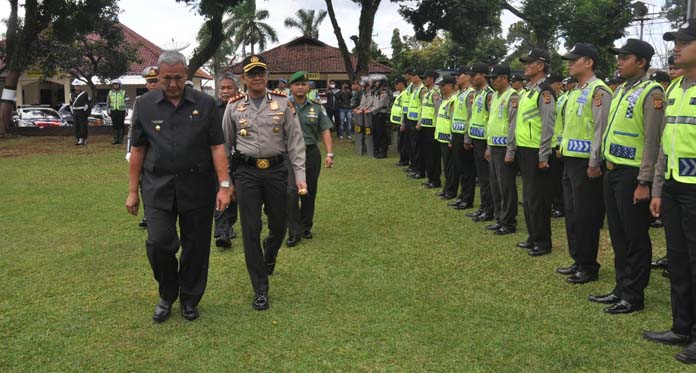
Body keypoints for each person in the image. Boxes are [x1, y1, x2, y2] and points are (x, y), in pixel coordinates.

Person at [125, 51, 231, 322]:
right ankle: (167, 292)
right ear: (158, 77)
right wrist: (132, 191)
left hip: (197, 185)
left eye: (178, 78)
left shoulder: (205, 104)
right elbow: (137, 149)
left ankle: (190, 298)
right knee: (159, 242)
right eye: (167, 78)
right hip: (157, 186)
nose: (172, 84)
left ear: (187, 76)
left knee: (196, 247)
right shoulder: (145, 105)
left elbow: (217, 146)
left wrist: (224, 185)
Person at [584, 39, 663, 315]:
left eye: (625, 57)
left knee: (635, 237)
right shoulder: (622, 90)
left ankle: (633, 295)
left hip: (633, 175)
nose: (619, 61)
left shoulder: (652, 92)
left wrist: (644, 181)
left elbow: (653, 141)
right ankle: (620, 287)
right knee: (618, 234)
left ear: (641, 62)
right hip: (613, 169)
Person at [222, 54, 306, 311]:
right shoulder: (233, 106)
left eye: (261, 73)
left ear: (267, 76)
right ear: (244, 79)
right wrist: (225, 182)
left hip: (276, 171)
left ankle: (270, 253)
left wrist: (300, 178)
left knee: (279, 225)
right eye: (252, 73)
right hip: (246, 173)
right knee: (250, 229)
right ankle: (260, 288)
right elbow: (225, 145)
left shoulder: (283, 103)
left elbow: (295, 142)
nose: (257, 77)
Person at [644, 20, 696, 364]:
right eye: (674, 41)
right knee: (678, 259)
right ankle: (681, 326)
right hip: (676, 186)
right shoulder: (676, 88)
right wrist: (659, 187)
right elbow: (665, 145)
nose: (675, 47)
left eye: (683, 41)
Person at [558, 43, 612, 284]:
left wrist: (594, 161)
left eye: (574, 59)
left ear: (589, 62)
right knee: (571, 213)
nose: (570, 63)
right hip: (570, 160)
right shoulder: (576, 91)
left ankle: (589, 266)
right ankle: (578, 259)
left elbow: (601, 129)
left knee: (586, 215)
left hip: (586, 164)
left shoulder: (599, 90)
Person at [514, 48, 556, 256]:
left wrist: (543, 155)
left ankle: (542, 241)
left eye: (529, 63)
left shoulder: (544, 91)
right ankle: (533, 236)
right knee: (529, 197)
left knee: (538, 199)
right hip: (525, 148)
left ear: (540, 66)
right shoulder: (528, 91)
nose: (525, 66)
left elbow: (548, 125)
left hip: (536, 151)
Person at [285, 70, 334, 247]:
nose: (300, 87)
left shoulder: (317, 107)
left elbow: (325, 130)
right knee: (291, 192)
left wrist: (329, 154)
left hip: (311, 152)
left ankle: (306, 226)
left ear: (308, 87)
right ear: (291, 87)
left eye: (303, 84)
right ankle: (293, 230)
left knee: (309, 192)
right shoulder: (282, 106)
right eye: (296, 84)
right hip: (289, 154)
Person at [484, 64, 519, 236]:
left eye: (494, 78)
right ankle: (499, 217)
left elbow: (513, 125)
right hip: (494, 146)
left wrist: (510, 151)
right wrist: (489, 146)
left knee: (506, 186)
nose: (492, 81)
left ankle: (509, 221)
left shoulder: (512, 96)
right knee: (495, 185)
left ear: (504, 78)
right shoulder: (496, 96)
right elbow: (492, 123)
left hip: (505, 147)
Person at [126, 66, 160, 229]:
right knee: (143, 182)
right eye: (150, 82)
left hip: (158, 151)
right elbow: (133, 130)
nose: (153, 84)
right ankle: (148, 214)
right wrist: (128, 151)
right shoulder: (141, 102)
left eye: (156, 81)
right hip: (142, 150)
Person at [214, 73, 240, 249]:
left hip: (239, 157)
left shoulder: (243, 107)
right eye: (222, 88)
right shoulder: (210, 108)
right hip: (218, 159)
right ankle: (222, 231)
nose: (225, 91)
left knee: (235, 193)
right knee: (221, 190)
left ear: (236, 89)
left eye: (229, 88)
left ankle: (229, 224)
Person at [467, 63, 495, 222]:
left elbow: (491, 121)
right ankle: (483, 207)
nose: (471, 78)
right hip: (477, 139)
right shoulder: (478, 94)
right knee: (482, 177)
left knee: (486, 177)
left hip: (485, 141)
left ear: (483, 75)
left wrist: (489, 146)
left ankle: (488, 209)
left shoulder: (489, 94)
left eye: (474, 75)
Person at [449, 66, 478, 210]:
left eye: (458, 75)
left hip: (463, 135)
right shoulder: (461, 93)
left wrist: (467, 138)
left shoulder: (471, 94)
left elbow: (470, 116)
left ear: (467, 77)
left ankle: (467, 199)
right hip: (456, 133)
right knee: (460, 168)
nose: (456, 78)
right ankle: (462, 196)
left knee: (467, 169)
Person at [433, 75, 458, 200]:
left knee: (451, 167)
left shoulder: (453, 100)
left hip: (448, 138)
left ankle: (451, 191)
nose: (441, 88)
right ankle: (447, 188)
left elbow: (453, 120)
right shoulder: (445, 99)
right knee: (446, 166)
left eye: (442, 86)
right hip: (442, 137)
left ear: (449, 86)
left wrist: (451, 138)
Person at [418, 71, 443, 188]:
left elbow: (438, 111)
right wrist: (419, 122)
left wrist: (438, 126)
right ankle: (430, 178)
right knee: (427, 154)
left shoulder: (435, 93)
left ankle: (435, 179)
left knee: (434, 155)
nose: (424, 80)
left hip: (432, 128)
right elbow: (423, 109)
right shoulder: (426, 93)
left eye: (426, 78)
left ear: (432, 79)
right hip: (425, 127)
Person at [549, 73, 567, 219]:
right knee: (552, 178)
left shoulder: (564, 99)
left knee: (558, 178)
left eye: (553, 83)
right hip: (551, 141)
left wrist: (561, 145)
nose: (550, 86)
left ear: (559, 85)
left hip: (559, 143)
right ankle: (555, 203)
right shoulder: (554, 99)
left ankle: (560, 206)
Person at [405, 70, 426, 179]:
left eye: (413, 76)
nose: (411, 78)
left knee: (417, 147)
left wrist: (420, 121)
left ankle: (419, 170)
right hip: (410, 119)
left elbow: (423, 106)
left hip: (416, 121)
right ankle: (414, 167)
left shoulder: (422, 89)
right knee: (412, 146)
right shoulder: (414, 89)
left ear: (418, 77)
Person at [368, 76, 391, 158]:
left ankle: (383, 152)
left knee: (381, 134)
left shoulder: (384, 93)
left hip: (381, 114)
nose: (376, 83)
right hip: (376, 114)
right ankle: (376, 150)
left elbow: (380, 105)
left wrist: (371, 110)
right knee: (376, 134)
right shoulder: (377, 92)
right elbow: (373, 103)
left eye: (377, 82)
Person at [390, 77, 408, 166]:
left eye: (396, 84)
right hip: (397, 121)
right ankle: (402, 159)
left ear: (401, 84)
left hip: (402, 122)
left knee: (403, 142)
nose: (395, 86)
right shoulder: (400, 94)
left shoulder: (405, 94)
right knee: (400, 141)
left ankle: (404, 160)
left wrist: (403, 123)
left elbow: (404, 109)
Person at [107, 79, 128, 145]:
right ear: (113, 85)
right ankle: (115, 139)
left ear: (119, 85)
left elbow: (126, 102)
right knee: (114, 125)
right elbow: (108, 102)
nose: (116, 86)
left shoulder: (123, 92)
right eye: (114, 84)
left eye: (117, 84)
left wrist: (127, 111)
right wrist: (108, 110)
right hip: (113, 111)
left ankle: (120, 140)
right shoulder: (110, 92)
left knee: (121, 125)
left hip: (121, 111)